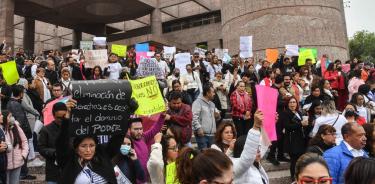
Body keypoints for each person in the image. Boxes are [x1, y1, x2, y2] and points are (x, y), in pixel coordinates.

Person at [55, 99, 117, 184]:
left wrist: (126, 113)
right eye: (83, 146)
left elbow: (117, 139)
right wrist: (67, 117)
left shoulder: (102, 156)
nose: (88, 150)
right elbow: (61, 142)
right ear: (76, 148)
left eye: (91, 145)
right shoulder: (69, 161)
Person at [280, 97, 311, 179]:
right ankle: (293, 178)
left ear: (297, 103)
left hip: (301, 139)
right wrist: (301, 124)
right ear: (288, 104)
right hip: (292, 140)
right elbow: (287, 126)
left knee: (301, 160)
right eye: (290, 102)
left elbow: (302, 125)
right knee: (294, 160)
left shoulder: (299, 112)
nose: (292, 104)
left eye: (294, 102)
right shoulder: (285, 113)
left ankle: (300, 176)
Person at [128, 114, 165, 183]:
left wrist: (162, 116)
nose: (139, 132)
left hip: (146, 179)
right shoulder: (127, 142)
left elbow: (155, 129)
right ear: (129, 130)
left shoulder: (143, 137)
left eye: (141, 128)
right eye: (136, 129)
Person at [38, 102, 68, 184]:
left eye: (64, 117)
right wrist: (55, 153)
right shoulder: (46, 129)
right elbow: (41, 148)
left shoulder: (71, 128)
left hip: (69, 171)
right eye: (59, 118)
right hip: (53, 171)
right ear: (53, 115)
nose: (62, 120)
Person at [1, 110, 29, 184]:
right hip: (5, 165)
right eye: (9, 116)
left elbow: (24, 141)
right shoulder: (1, 130)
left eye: (12, 116)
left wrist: (23, 155)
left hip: (18, 162)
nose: (12, 118)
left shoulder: (16, 126)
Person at [192, 84, 220, 150]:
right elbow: (194, 117)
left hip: (212, 135)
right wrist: (198, 128)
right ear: (207, 93)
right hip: (202, 135)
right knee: (204, 156)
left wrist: (218, 116)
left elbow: (218, 117)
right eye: (213, 92)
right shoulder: (197, 102)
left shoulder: (212, 104)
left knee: (211, 156)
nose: (214, 94)